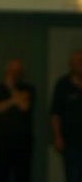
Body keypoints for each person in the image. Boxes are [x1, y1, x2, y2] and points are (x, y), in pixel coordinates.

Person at [0, 59, 35, 182]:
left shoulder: (28, 88)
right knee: (0, 176)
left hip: (22, 142)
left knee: (22, 176)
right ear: (6, 71)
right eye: (11, 70)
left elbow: (24, 106)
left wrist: (11, 89)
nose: (14, 73)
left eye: (17, 71)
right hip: (2, 141)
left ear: (21, 73)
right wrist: (13, 101)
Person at [51, 50, 82, 182]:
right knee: (73, 176)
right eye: (77, 62)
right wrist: (57, 136)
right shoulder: (63, 84)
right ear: (71, 65)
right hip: (71, 142)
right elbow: (55, 114)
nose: (80, 64)